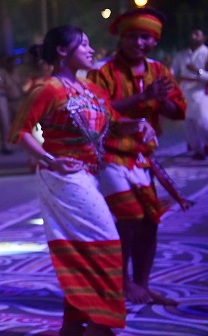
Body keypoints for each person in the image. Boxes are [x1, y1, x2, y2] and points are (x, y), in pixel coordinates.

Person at [9, 25, 151, 336]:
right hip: (62, 176)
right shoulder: (48, 89)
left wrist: (139, 126)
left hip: (87, 175)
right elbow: (21, 132)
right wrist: (49, 159)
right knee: (107, 242)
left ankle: (74, 325)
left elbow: (113, 124)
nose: (91, 50)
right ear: (62, 50)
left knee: (85, 243)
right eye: (83, 45)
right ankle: (101, 325)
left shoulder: (94, 91)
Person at [87, 8, 187, 305]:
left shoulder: (159, 71)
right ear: (122, 37)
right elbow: (98, 111)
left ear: (154, 40)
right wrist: (143, 98)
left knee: (150, 221)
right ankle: (122, 283)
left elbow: (178, 111)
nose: (138, 42)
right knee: (127, 217)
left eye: (145, 37)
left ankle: (142, 284)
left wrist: (160, 100)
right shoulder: (102, 71)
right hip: (110, 156)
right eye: (132, 36)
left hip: (143, 158)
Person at [172, 27, 208, 160]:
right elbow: (173, 72)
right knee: (188, 125)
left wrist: (198, 71)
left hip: (201, 93)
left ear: (203, 37)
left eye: (197, 34)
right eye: (192, 34)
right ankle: (199, 151)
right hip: (184, 93)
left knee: (203, 123)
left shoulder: (206, 53)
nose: (194, 37)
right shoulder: (182, 55)